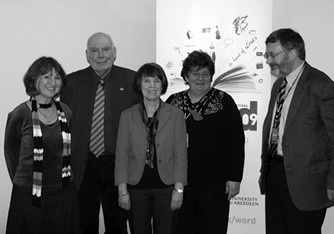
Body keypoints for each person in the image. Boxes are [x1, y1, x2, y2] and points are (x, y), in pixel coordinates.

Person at [60, 32, 139, 234]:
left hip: (119, 166)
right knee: (84, 224)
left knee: (117, 224)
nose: (100, 55)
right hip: (83, 165)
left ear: (114, 52)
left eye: (105, 49)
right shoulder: (71, 83)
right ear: (87, 55)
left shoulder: (133, 81)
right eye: (94, 50)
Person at [259, 28, 334, 234]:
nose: (268, 60)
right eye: (267, 55)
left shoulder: (321, 84)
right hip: (274, 176)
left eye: (273, 55)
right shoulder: (278, 86)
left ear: (292, 52)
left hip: (307, 183)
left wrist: (332, 181)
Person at [166, 50, 245, 234]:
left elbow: (236, 140)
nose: (200, 78)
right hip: (180, 183)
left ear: (211, 76)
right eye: (195, 73)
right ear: (186, 76)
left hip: (215, 184)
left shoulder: (224, 101)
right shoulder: (173, 102)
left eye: (205, 74)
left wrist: (234, 177)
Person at [4, 56, 81, 234]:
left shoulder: (66, 111)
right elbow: (11, 155)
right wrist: (25, 183)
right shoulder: (19, 114)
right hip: (30, 196)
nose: (52, 82)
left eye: (57, 77)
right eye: (47, 76)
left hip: (63, 192)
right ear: (34, 79)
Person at [115, 63, 187, 234]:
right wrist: (122, 189)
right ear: (139, 85)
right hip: (136, 187)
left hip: (167, 187)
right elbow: (121, 156)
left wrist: (179, 189)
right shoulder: (127, 116)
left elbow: (181, 156)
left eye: (156, 81)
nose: (152, 86)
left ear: (163, 85)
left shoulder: (175, 115)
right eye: (146, 81)